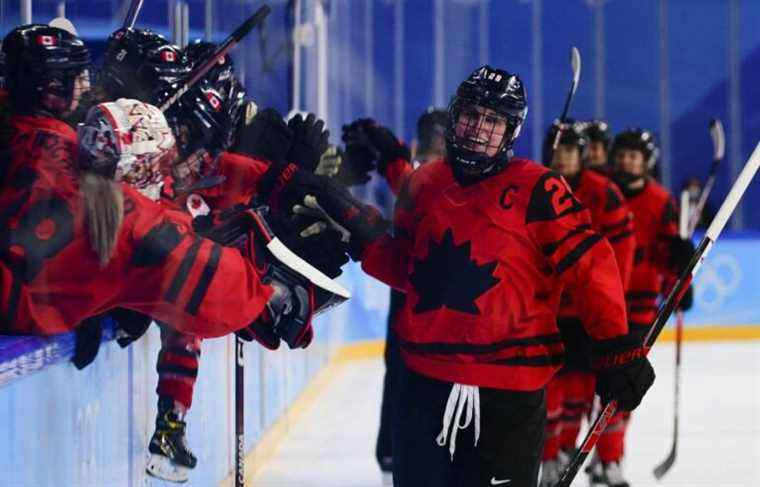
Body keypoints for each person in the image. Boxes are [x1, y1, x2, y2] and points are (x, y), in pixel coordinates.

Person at [320, 66, 654, 487]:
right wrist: (363, 239)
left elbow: (591, 262)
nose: (479, 128)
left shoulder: (540, 188)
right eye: (472, 115)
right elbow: (411, 270)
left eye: (494, 121)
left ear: (510, 131)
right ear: (456, 117)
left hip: (509, 396)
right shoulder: (423, 183)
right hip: (425, 382)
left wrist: (616, 344)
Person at [0, 24, 341, 345]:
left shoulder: (44, 141)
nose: (170, 170)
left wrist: (276, 177)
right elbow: (232, 294)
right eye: (162, 160)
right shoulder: (132, 225)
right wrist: (274, 282)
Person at [591, 128, 694, 487]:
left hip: (636, 311)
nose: (626, 161)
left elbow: (668, 254)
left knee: (621, 389)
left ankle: (610, 457)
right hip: (595, 304)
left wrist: (682, 277)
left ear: (647, 162)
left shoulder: (661, 200)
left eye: (634, 156)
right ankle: (575, 453)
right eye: (621, 154)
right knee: (576, 388)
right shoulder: (601, 193)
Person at [537, 121, 636, 487]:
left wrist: (608, 306)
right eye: (557, 149)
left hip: (586, 317)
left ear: (581, 155)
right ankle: (552, 454)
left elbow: (619, 256)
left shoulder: (603, 193)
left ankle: (588, 454)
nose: (562, 157)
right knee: (551, 391)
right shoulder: (535, 187)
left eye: (569, 150)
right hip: (548, 315)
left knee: (581, 389)